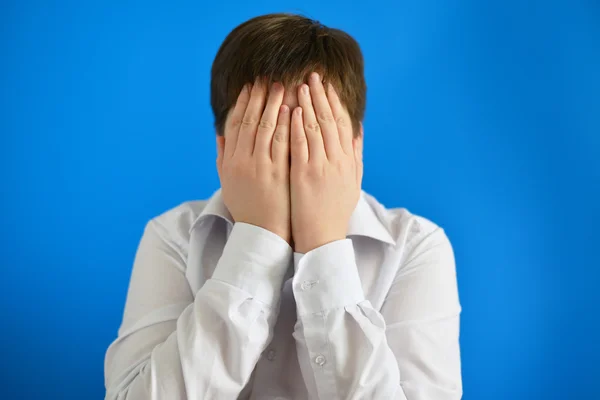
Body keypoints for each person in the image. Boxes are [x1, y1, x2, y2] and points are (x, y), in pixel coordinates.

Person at [104, 12, 463, 400]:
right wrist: (259, 238)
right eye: (267, 135)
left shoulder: (416, 247)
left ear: (356, 145)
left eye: (317, 136)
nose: (294, 157)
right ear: (224, 149)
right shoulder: (174, 236)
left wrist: (323, 243)